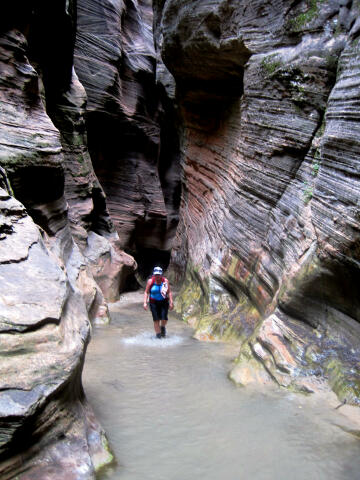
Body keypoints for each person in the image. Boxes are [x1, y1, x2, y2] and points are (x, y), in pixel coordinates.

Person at [143, 266, 174, 339]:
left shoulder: (165, 281)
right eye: (156, 275)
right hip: (153, 303)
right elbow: (146, 292)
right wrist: (145, 302)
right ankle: (158, 335)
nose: (157, 276)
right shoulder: (150, 281)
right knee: (156, 319)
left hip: (163, 302)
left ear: (161, 274)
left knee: (164, 319)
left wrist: (171, 302)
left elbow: (169, 292)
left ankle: (162, 327)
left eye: (159, 275)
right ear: (154, 274)